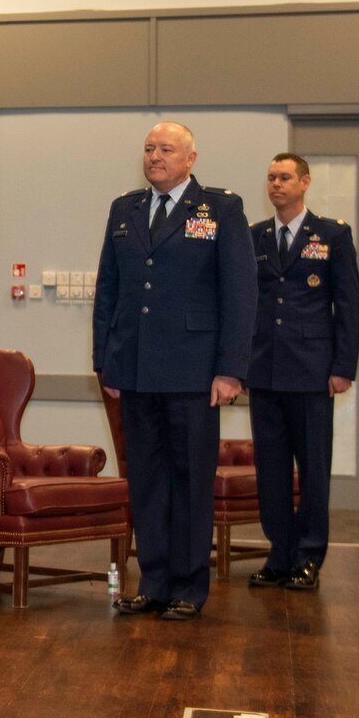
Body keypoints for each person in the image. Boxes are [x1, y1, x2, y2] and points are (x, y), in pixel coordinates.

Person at [94, 122, 255, 621]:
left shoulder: (221, 209)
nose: (155, 156)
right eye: (148, 148)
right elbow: (109, 292)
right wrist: (106, 361)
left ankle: (188, 585)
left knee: (188, 480)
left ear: (191, 158)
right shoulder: (126, 209)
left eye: (166, 149)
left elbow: (239, 293)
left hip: (193, 372)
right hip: (136, 370)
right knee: (145, 479)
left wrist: (230, 370)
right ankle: (155, 581)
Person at [246, 153, 359, 592]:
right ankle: (279, 553)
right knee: (270, 469)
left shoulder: (331, 234)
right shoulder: (254, 237)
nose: (276, 184)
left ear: (305, 182)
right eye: (271, 177)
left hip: (312, 371)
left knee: (312, 467)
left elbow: (347, 304)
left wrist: (343, 366)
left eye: (285, 177)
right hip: (265, 369)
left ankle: (309, 555)